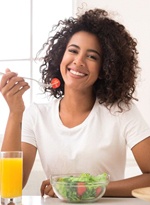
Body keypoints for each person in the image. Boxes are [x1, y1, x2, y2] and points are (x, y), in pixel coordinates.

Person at [0, 8, 150, 198]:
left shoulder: (120, 111)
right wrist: (15, 112)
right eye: (73, 51)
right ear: (61, 56)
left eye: (92, 56)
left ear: (105, 68)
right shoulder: (37, 115)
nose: (78, 61)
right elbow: (9, 186)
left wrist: (86, 188)